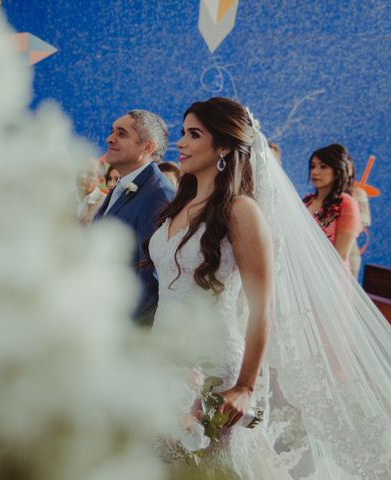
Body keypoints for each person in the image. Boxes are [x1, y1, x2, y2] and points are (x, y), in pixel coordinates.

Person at [147, 97, 391, 479]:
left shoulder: (241, 211)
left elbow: (263, 305)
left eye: (194, 134)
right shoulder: (180, 203)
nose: (180, 143)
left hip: (210, 363)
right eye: (182, 133)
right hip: (161, 354)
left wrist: (245, 385)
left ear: (224, 146)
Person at [93, 110, 175, 326]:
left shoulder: (158, 194)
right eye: (111, 131)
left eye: (121, 134)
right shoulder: (122, 185)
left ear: (148, 147)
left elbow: (150, 280)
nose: (109, 138)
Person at [303, 144, 361, 270]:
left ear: (337, 171)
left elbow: (341, 255)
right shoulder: (307, 201)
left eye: (323, 167)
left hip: (328, 274)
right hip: (301, 269)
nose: (315, 172)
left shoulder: (345, 203)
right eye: (312, 166)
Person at [345, 154, 372, 278]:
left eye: (347, 168)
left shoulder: (357, 193)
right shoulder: (320, 195)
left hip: (349, 254)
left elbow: (363, 221)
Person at [76, 158, 106, 225]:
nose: (83, 176)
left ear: (100, 180)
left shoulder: (104, 203)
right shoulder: (64, 196)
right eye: (80, 171)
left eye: (90, 174)